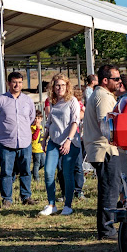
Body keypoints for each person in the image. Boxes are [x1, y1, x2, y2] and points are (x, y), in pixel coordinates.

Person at [84, 64, 122, 240]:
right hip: (105, 150)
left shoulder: (102, 95)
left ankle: (107, 228)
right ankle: (107, 230)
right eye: (116, 79)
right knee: (110, 191)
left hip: (102, 149)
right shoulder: (103, 96)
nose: (119, 81)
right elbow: (105, 124)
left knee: (109, 189)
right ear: (105, 80)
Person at [0, 71, 36, 207]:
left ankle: (26, 196)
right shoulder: (0, 100)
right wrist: (4, 130)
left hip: (25, 141)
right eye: (15, 82)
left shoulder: (27, 100)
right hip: (6, 142)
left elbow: (31, 118)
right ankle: (7, 198)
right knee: (6, 171)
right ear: (9, 83)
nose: (17, 85)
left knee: (26, 170)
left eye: (20, 82)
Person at [40, 74, 81, 216]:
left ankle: (68, 205)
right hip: (53, 141)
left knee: (66, 173)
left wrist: (69, 140)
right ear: (53, 87)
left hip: (70, 141)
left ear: (67, 86)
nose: (60, 88)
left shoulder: (72, 101)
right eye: (57, 85)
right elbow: (49, 121)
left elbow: (75, 122)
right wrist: (44, 138)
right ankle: (51, 204)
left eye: (63, 85)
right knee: (48, 172)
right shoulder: (52, 101)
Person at [31, 110, 45, 181]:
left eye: (38, 118)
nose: (37, 120)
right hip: (35, 149)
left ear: (41, 119)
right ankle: (36, 178)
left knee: (43, 163)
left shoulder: (41, 126)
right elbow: (34, 137)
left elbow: (42, 137)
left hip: (41, 149)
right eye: (35, 118)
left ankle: (33, 172)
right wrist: (37, 129)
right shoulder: (33, 127)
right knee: (36, 164)